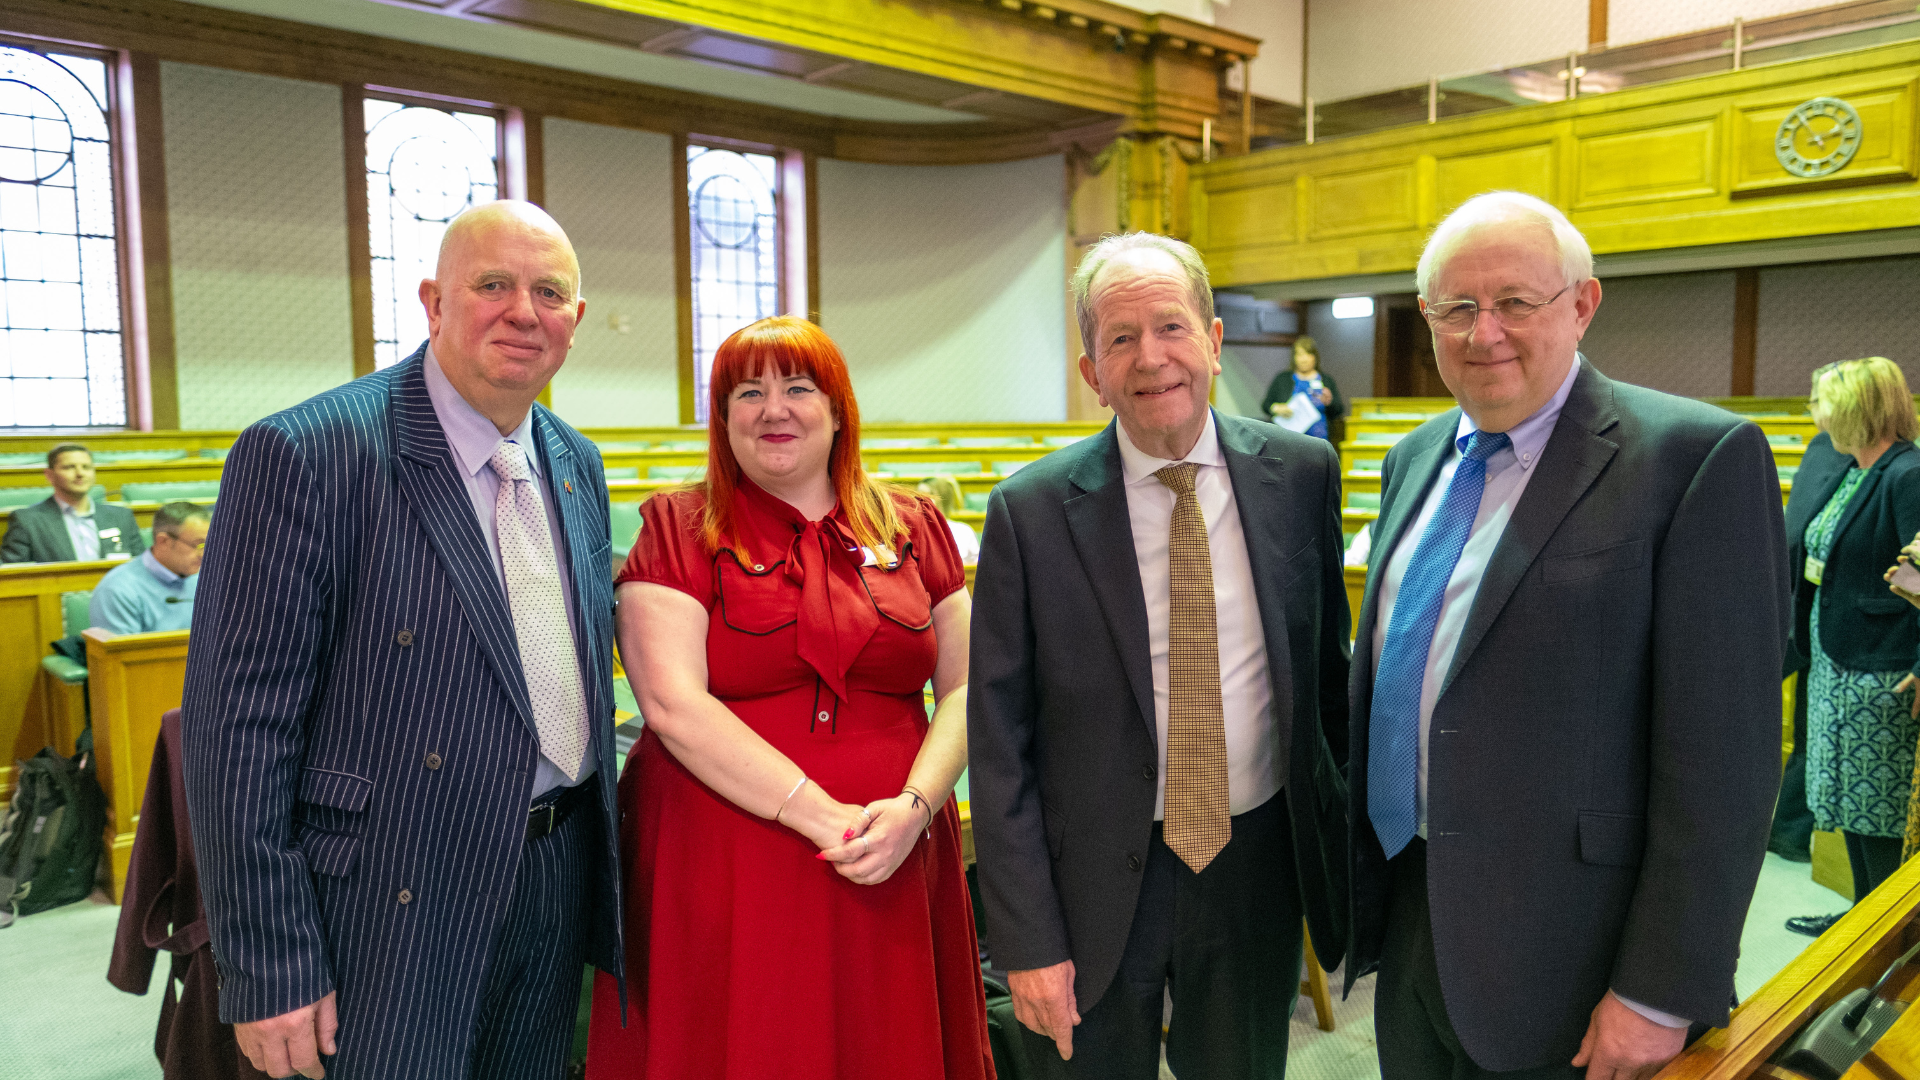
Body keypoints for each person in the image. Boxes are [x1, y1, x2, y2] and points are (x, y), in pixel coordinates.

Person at [1347, 191, 1786, 1080]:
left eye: (1516, 301)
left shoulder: (1694, 458)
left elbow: (1726, 764)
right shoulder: (1415, 457)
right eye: (1456, 308)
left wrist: (1660, 990)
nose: (1485, 332)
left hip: (1578, 958)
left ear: (1582, 305)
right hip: (1414, 913)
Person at [181, 200, 623, 1080]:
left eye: (549, 292)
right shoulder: (309, 452)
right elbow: (237, 730)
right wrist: (270, 962)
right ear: (433, 301)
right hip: (390, 894)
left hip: (552, 869)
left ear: (575, 321)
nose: (522, 311)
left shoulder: (576, 463)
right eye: (492, 285)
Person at [969, 232, 1351, 1079]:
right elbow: (1000, 747)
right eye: (1119, 338)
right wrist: (1025, 939)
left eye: (1172, 327)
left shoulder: (1301, 474)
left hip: (1254, 866)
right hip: (1091, 882)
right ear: (1090, 372)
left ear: (1213, 342)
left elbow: (1328, 685)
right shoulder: (1028, 514)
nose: (1151, 358)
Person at [585, 315, 991, 1080]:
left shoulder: (916, 527)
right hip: (726, 853)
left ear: (838, 410)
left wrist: (914, 808)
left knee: (887, 1044)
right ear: (724, 417)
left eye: (798, 388)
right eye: (749, 392)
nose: (774, 409)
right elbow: (672, 705)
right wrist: (820, 815)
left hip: (894, 847)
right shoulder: (676, 528)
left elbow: (969, 686)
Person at [1778, 357, 1920, 937]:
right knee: (1848, 802)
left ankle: (1882, 935)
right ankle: (1861, 919)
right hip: (1837, 658)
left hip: (1883, 666)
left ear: (1857, 407)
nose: (1816, 414)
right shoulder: (1858, 469)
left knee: (1879, 809)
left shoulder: (1907, 473)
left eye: (1822, 401)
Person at [1772, 430, 1854, 870]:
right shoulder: (1830, 448)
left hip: (1836, 620)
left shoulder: (1899, 469)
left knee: (1811, 729)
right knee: (1806, 725)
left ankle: (1791, 828)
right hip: (1811, 609)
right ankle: (1788, 827)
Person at [0, 443, 145, 563]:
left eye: (86, 467)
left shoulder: (121, 517)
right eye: (69, 467)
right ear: (50, 475)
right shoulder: (27, 521)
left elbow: (140, 567)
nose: (80, 473)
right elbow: (14, 576)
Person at [89, 501, 207, 635]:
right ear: (164, 542)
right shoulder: (117, 590)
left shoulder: (207, 578)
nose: (204, 554)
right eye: (198, 545)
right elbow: (121, 654)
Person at [1262, 334, 1345, 440]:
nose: (1303, 359)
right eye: (1299, 355)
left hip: (1319, 440)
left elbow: (1338, 410)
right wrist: (1276, 408)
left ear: (1315, 357)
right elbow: (1266, 405)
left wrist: (1328, 403)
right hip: (1288, 440)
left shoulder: (1326, 380)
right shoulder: (1282, 379)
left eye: (1308, 354)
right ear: (1294, 358)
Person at [917, 474, 980, 562]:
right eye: (918, 495)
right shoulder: (913, 530)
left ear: (944, 498)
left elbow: (975, 566)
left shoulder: (964, 531)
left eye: (929, 495)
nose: (921, 501)